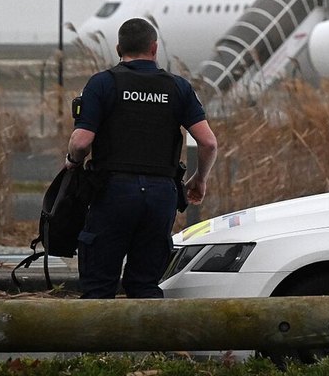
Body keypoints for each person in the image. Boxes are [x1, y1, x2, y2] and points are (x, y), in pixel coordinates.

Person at [64, 17, 218, 299]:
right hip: (161, 195)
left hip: (112, 192)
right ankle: (151, 344)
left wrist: (72, 162)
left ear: (119, 47)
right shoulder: (178, 87)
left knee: (98, 287)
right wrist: (199, 179)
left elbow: (82, 141)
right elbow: (208, 142)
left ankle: (99, 344)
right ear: (154, 48)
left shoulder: (102, 84)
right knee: (145, 285)